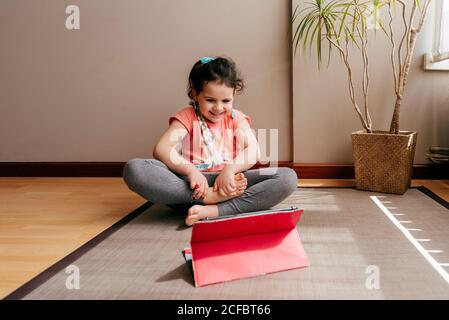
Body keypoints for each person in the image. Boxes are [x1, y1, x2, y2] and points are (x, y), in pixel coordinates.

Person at [123, 56, 298, 226]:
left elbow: (253, 150)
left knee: (287, 178)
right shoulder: (187, 116)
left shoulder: (236, 118)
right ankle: (207, 199)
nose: (219, 108)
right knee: (135, 169)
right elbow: (162, 148)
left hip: (230, 183)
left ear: (234, 94)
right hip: (192, 185)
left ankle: (214, 210)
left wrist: (230, 170)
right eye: (210, 100)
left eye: (226, 100)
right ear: (195, 94)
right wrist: (191, 172)